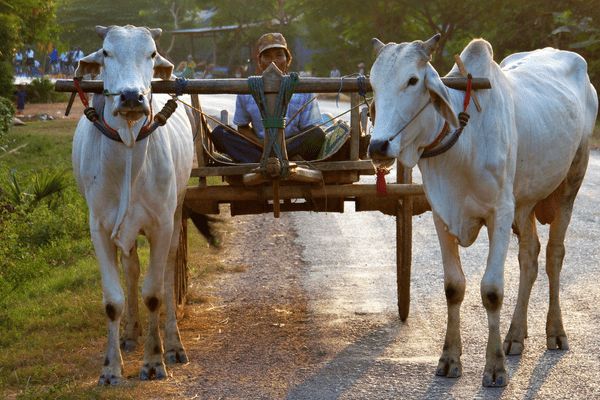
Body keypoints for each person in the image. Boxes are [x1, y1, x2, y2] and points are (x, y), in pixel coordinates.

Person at [211, 32, 326, 163]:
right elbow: (242, 127)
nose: (273, 61)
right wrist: (264, 146)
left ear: (288, 60)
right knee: (220, 133)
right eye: (267, 56)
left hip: (291, 145)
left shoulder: (302, 89)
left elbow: (310, 129)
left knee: (317, 135)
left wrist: (279, 146)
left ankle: (265, 160)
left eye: (279, 55)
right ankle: (276, 160)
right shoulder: (247, 89)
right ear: (259, 62)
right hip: (259, 147)